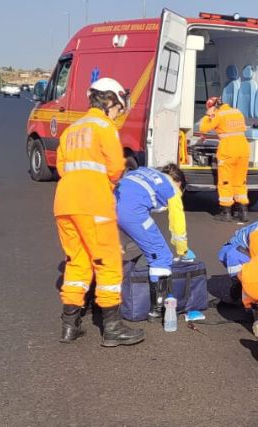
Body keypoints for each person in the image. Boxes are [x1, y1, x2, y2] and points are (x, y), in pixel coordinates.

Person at [54, 77, 144, 347]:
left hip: (64, 202)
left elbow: (61, 167)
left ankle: (69, 325)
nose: (118, 114)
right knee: (107, 262)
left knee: (77, 261)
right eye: (118, 107)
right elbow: (116, 168)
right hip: (93, 202)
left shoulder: (72, 129)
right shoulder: (104, 126)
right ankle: (112, 328)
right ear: (109, 101)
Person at [115, 164, 195, 322]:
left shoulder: (144, 171)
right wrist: (182, 250)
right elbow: (177, 225)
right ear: (179, 183)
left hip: (108, 204)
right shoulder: (173, 190)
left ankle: (96, 301)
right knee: (161, 256)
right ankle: (156, 310)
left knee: (110, 253)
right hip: (132, 211)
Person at [199, 96, 250, 222]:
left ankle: (226, 212)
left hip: (228, 150)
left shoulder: (219, 114)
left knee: (225, 181)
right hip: (243, 148)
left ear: (213, 107)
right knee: (240, 181)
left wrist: (208, 115)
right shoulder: (237, 112)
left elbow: (203, 128)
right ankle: (243, 211)